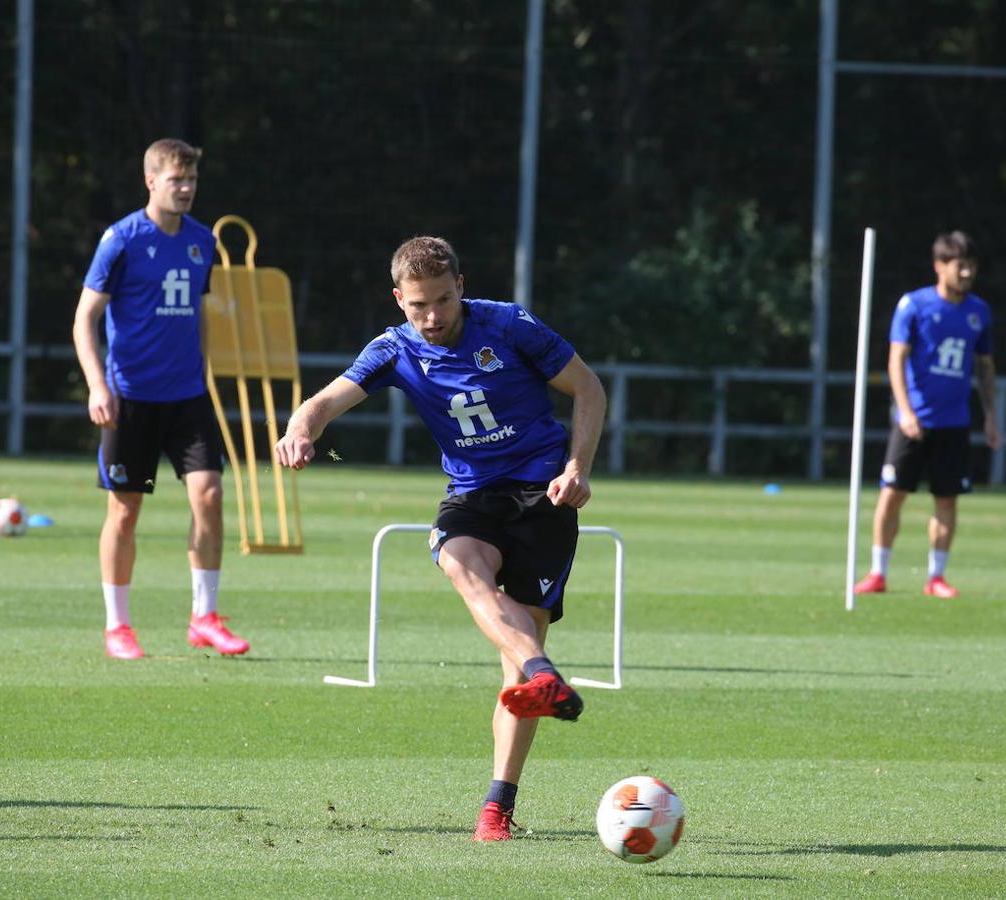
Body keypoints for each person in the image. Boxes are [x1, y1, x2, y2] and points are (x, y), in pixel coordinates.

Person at [275, 236, 606, 841]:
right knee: (461, 565)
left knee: (516, 667)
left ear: (462, 286)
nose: (433, 317)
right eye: (419, 305)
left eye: (444, 301)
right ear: (398, 298)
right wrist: (300, 431)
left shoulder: (509, 325)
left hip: (543, 495)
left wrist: (577, 467)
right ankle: (542, 669)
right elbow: (322, 403)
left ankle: (498, 805)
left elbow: (588, 388)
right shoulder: (392, 349)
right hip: (473, 497)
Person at [72, 138, 249, 660]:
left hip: (187, 396)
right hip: (130, 397)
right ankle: (117, 626)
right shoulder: (121, 240)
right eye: (177, 179)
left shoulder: (201, 242)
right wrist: (97, 385)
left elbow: (198, 316)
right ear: (151, 181)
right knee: (125, 512)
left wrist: (206, 373)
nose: (187, 187)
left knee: (210, 495)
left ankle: (205, 616)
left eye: (192, 178)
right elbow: (84, 318)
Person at [854, 230, 1001, 598]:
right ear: (940, 267)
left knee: (947, 499)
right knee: (892, 494)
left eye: (972, 267)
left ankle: (936, 577)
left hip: (954, 422)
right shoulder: (914, 306)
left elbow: (985, 367)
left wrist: (991, 415)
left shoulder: (979, 312)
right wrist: (904, 411)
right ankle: (878, 572)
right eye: (960, 266)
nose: (967, 274)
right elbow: (895, 360)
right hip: (913, 420)